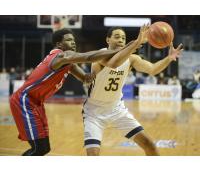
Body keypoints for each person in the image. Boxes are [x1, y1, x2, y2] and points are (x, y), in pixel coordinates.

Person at [9, 28, 145, 156]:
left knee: (44, 148)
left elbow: (85, 78)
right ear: (59, 44)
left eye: (73, 39)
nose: (73, 42)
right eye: (68, 40)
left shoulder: (68, 62)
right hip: (25, 99)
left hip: (36, 102)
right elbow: (88, 57)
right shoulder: (62, 55)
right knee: (39, 148)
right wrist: (126, 48)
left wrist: (95, 74)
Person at [82, 27, 183, 156]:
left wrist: (169, 58)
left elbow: (152, 69)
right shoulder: (100, 55)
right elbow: (114, 63)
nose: (120, 40)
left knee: (150, 145)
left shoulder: (131, 59)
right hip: (94, 112)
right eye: (117, 37)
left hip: (116, 110)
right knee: (93, 155)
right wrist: (136, 43)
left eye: (123, 38)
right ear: (108, 39)